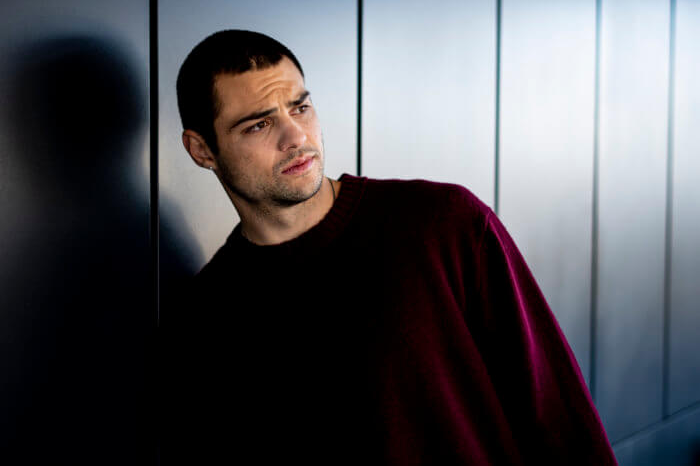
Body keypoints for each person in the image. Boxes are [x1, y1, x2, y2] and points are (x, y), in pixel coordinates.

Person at [162, 29, 618, 465]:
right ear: (202, 150)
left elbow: (558, 414)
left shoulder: (442, 225)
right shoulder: (205, 317)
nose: (296, 136)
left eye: (300, 108)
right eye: (260, 124)